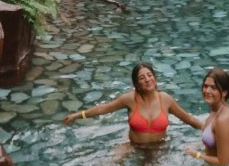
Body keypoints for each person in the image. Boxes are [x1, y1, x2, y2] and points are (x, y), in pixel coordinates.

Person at [63, 62, 202, 146]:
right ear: (136, 84)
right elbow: (103, 109)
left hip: (160, 148)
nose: (147, 79)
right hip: (133, 146)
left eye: (149, 75)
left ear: (155, 78)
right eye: (142, 78)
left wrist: (211, 130)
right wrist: (77, 115)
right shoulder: (129, 99)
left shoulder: (165, 99)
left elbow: (188, 119)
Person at [184, 68, 229, 166]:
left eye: (213, 88)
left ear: (224, 92)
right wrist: (195, 146)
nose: (207, 91)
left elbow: (225, 163)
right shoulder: (216, 110)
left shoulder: (223, 120)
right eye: (205, 86)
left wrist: (196, 155)